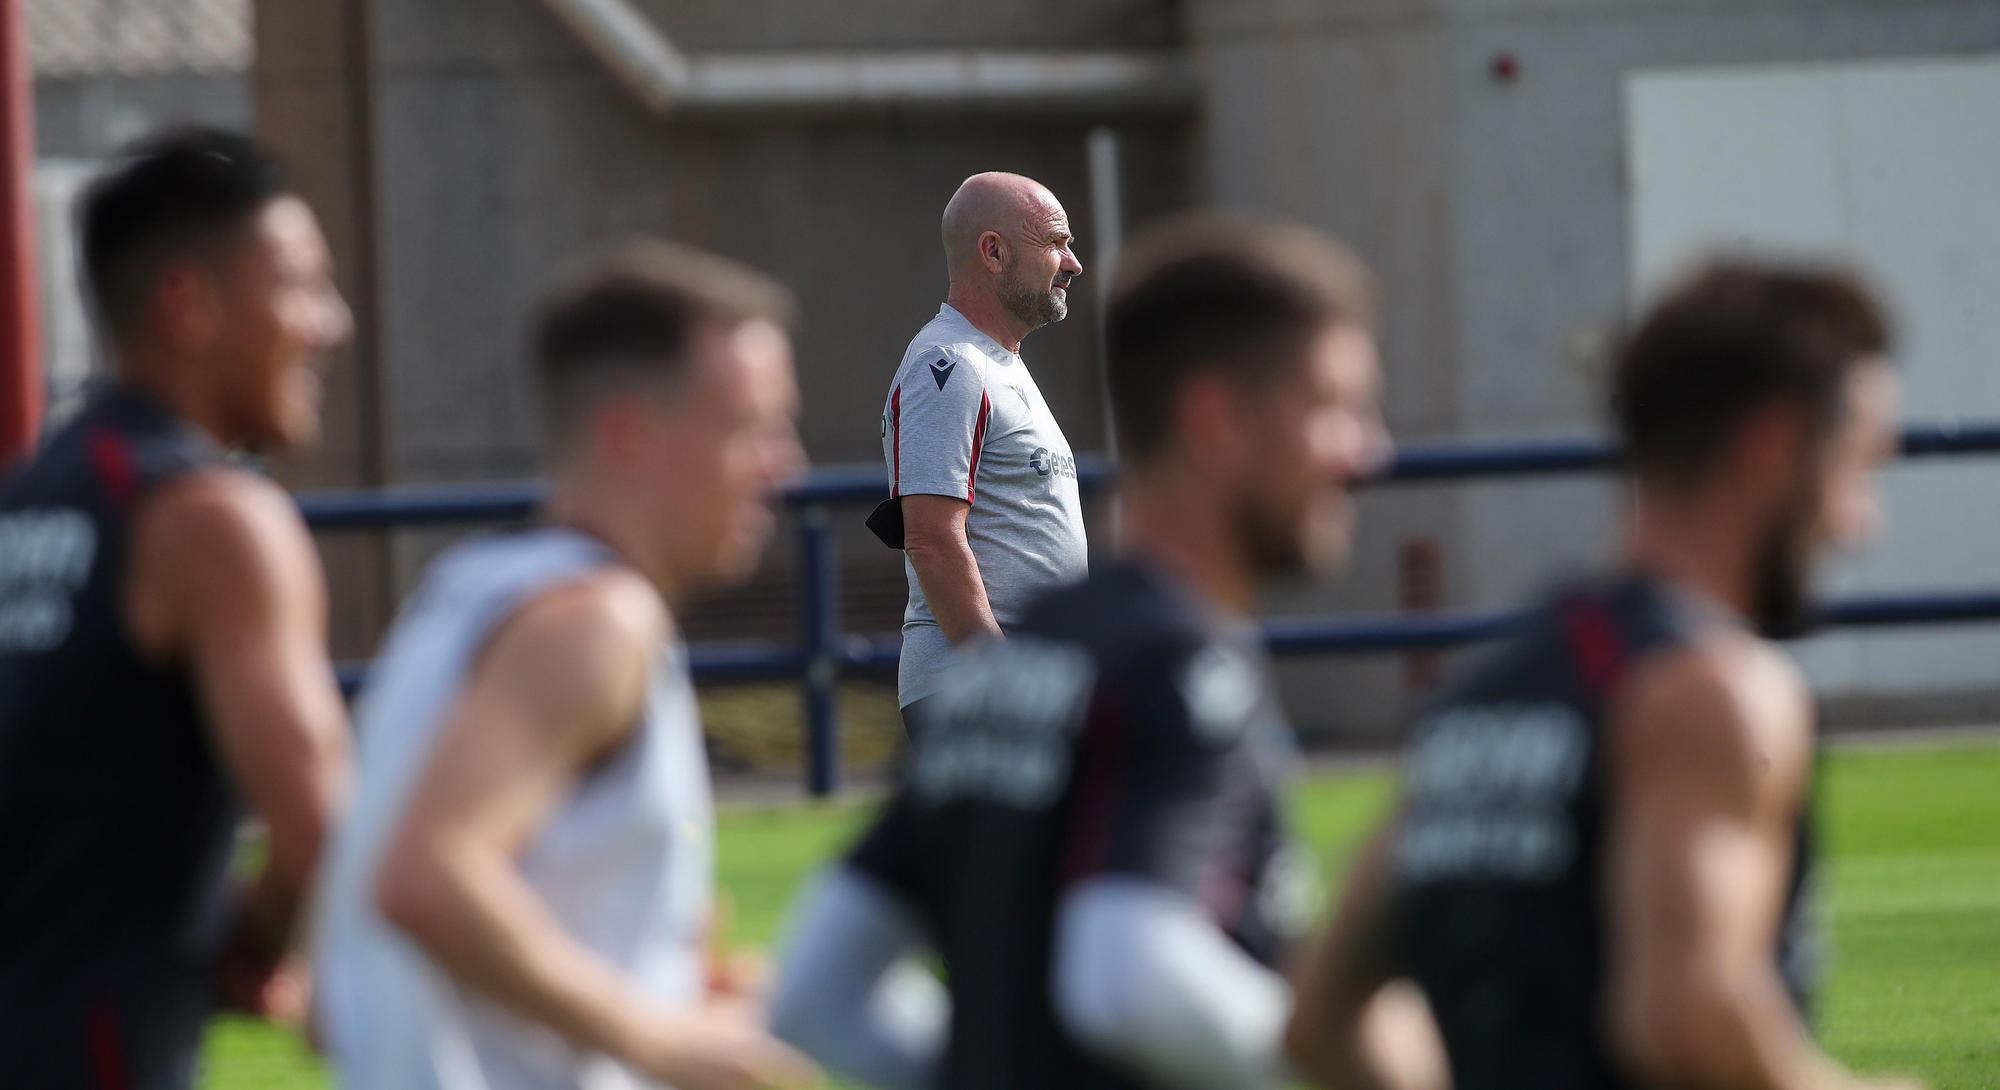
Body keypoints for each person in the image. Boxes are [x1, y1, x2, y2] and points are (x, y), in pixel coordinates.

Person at [773, 214, 1391, 1090]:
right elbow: (1128, 977)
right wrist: (1331, 1062)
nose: (1368, 452)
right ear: (1214, 420)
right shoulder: (1173, 664)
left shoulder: (1030, 676)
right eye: (1332, 408)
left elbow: (814, 996)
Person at [1286, 260, 1922, 1090]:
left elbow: (1320, 1015)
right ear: (1771, 447)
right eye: (1854, 470)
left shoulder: (1488, 692)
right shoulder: (1710, 691)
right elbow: (1687, 1020)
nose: (1860, 526)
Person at [312, 241, 820, 1090]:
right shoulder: (597, 622)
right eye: (750, 428)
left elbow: (332, 983)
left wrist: (663, 983)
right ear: (629, 435)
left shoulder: (462, 594)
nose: (784, 467)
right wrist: (660, 1040)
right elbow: (427, 879)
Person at [0, 127, 355, 1088]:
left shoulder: (33, 497)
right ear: (188, 304)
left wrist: (231, 935)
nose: (332, 323)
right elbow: (324, 835)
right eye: (301, 286)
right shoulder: (212, 522)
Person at [866, 171, 1090, 734]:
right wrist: (1006, 675)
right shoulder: (948, 365)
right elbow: (932, 540)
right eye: (1055, 242)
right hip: (977, 696)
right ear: (993, 252)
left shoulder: (995, 363)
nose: (1072, 264)